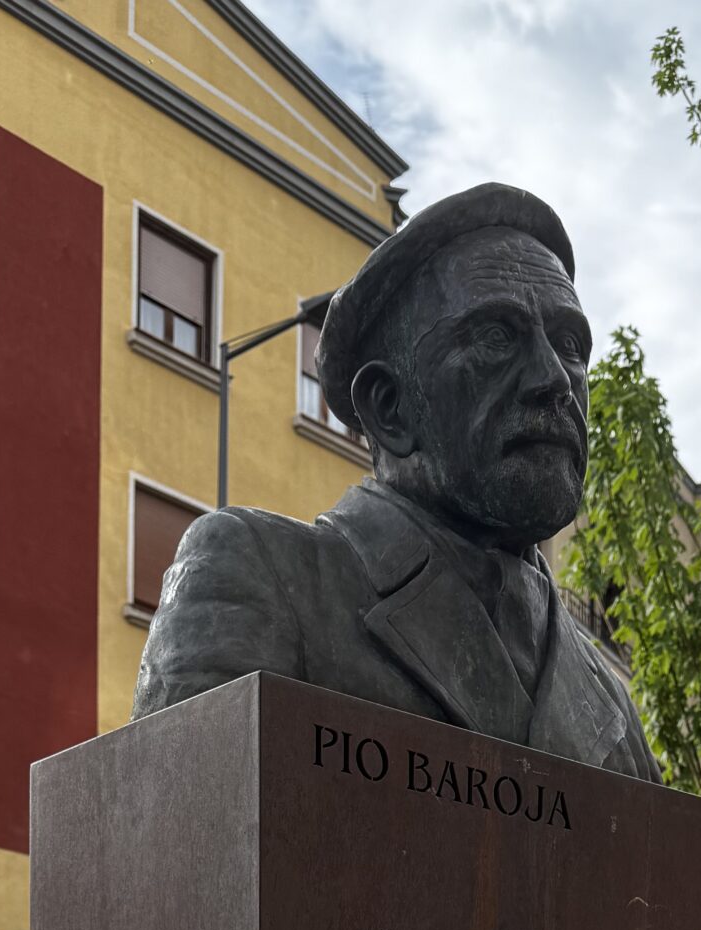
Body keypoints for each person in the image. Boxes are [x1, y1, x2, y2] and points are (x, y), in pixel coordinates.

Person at [133, 184, 657, 782]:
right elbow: (170, 821)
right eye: (496, 338)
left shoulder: (612, 708)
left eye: (569, 345)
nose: (555, 380)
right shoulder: (262, 575)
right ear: (390, 408)